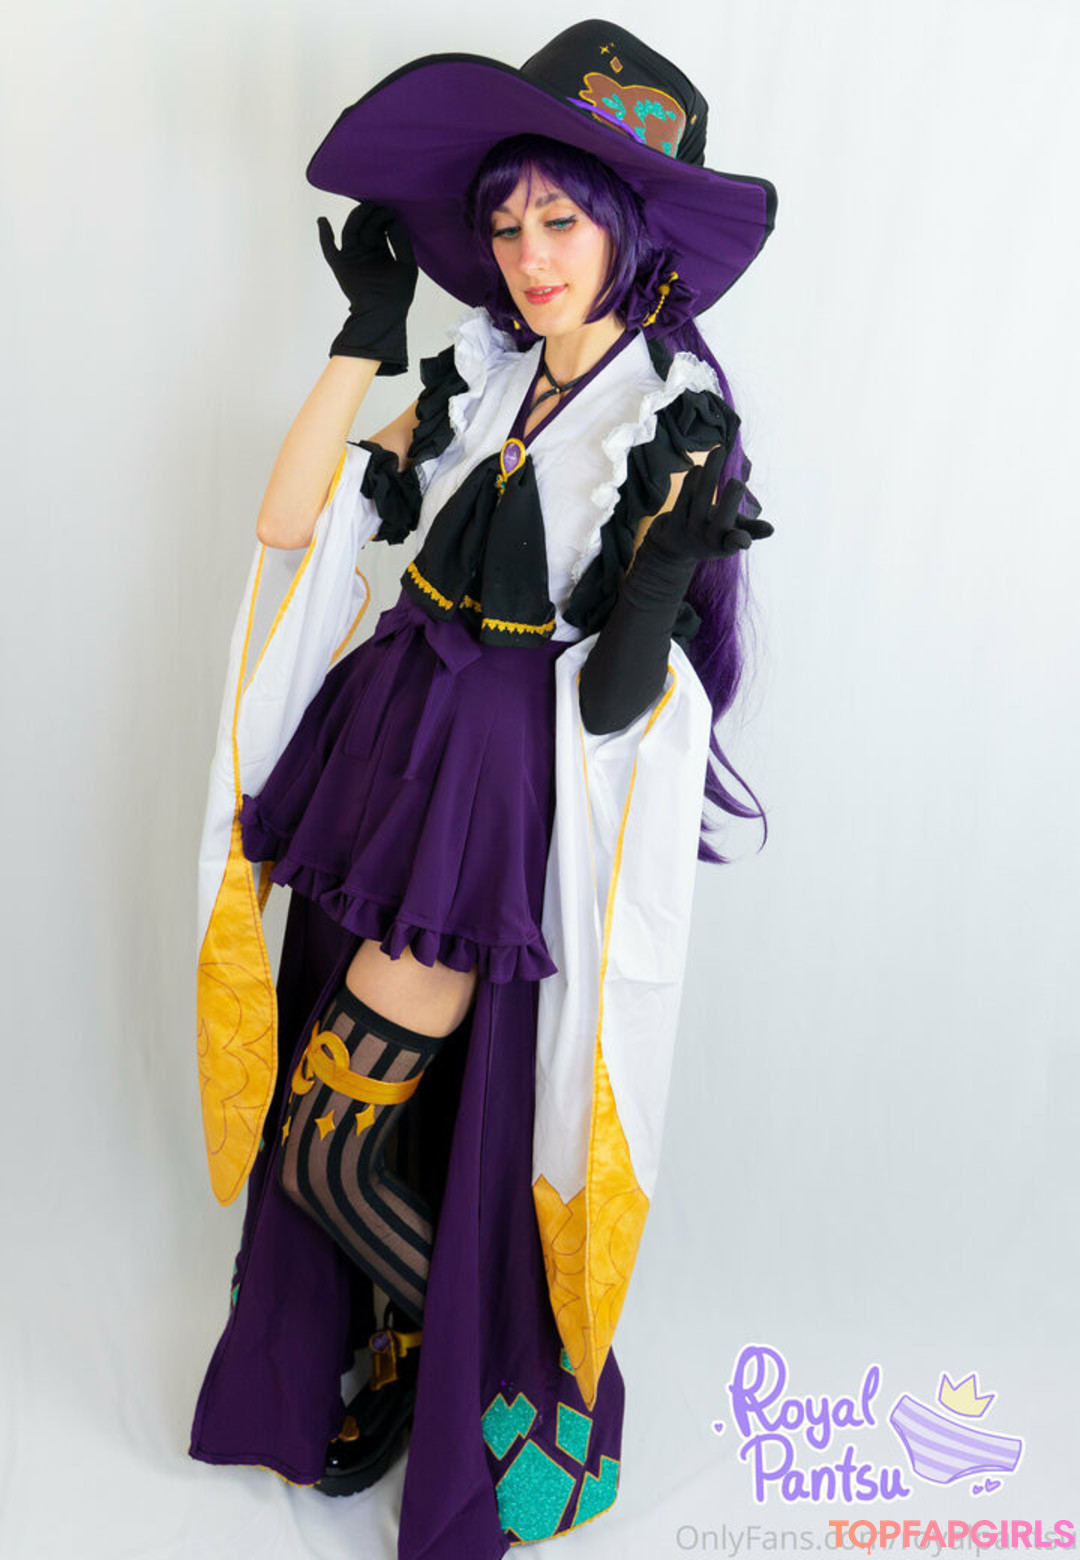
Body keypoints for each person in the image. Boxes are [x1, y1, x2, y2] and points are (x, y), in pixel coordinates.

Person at [189, 19, 776, 1556]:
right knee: (346, 1124)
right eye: (507, 225)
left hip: (484, 812)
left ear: (628, 228)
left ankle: (512, 1390)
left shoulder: (667, 425)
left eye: (560, 222)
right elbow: (290, 522)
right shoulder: (481, 372)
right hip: (384, 763)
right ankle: (423, 1363)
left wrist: (665, 568)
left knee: (328, 1145)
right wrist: (363, 336)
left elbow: (617, 708)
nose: (529, 257)